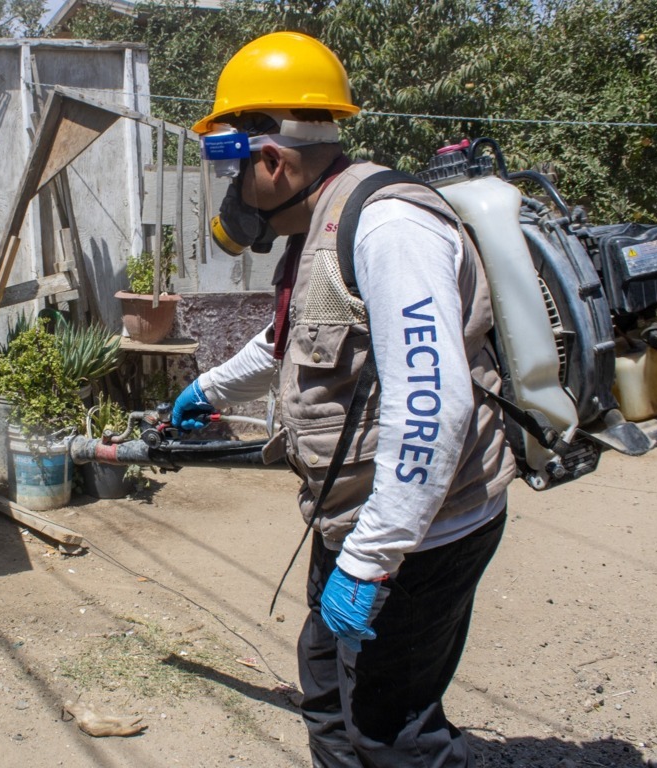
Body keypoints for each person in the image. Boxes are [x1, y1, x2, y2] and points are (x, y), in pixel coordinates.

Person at [172, 31, 517, 767]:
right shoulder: (318, 222)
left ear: (271, 160)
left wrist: (373, 560)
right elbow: (288, 341)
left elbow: (434, 402)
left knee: (394, 732)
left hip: (426, 532)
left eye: (230, 170)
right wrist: (208, 386)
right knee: (327, 693)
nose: (230, 197)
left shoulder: (390, 228)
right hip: (358, 521)